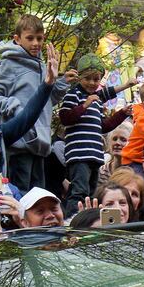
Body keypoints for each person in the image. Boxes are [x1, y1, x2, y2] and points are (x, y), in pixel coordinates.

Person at [0, 14, 75, 191]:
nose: (35, 43)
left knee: (38, 197)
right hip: (20, 144)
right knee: (22, 196)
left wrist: (61, 82)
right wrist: (15, 107)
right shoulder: (10, 62)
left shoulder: (41, 64)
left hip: (40, 144)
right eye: (30, 38)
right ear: (17, 39)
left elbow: (45, 102)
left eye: (39, 38)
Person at [58, 53, 135, 216]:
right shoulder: (74, 95)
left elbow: (103, 126)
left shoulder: (96, 100)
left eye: (96, 79)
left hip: (94, 154)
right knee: (79, 191)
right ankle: (72, 220)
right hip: (79, 154)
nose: (92, 83)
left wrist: (122, 113)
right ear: (80, 77)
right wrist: (84, 106)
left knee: (93, 193)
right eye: (88, 79)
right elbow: (65, 118)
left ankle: (90, 220)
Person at [98, 122, 131, 188]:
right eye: (114, 139)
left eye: (123, 140)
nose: (117, 143)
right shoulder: (101, 171)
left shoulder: (135, 171)